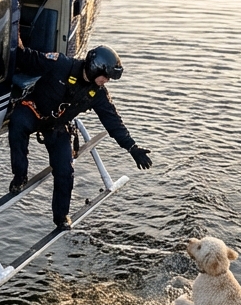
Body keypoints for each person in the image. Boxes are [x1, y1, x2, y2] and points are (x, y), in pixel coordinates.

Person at [9, 40, 153, 229]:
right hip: (34, 112)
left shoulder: (97, 93)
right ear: (95, 68)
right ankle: (20, 176)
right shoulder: (60, 64)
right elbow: (27, 57)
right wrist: (15, 34)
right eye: (106, 76)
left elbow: (113, 121)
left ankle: (61, 217)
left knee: (65, 170)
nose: (106, 81)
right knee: (17, 124)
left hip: (57, 125)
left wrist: (132, 147)